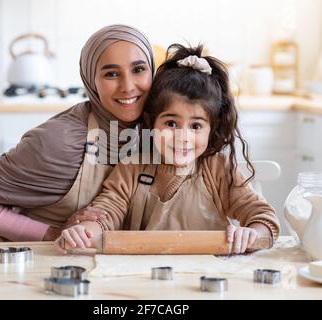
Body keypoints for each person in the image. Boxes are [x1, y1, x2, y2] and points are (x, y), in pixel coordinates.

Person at [56, 44, 280, 254]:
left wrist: (251, 234)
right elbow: (105, 214)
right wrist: (85, 231)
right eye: (171, 123)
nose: (183, 137)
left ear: (211, 129)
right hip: (146, 278)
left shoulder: (219, 169)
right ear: (151, 122)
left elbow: (264, 219)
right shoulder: (131, 168)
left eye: (195, 126)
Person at [0, 24, 155, 242]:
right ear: (91, 80)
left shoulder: (156, 133)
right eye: (111, 74)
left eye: (138, 70)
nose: (127, 86)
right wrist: (52, 233)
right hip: (25, 259)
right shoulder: (61, 141)